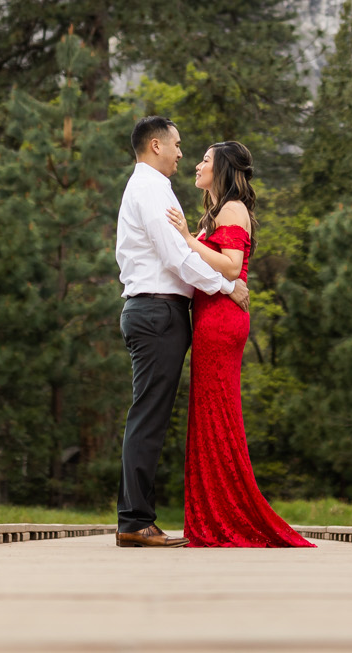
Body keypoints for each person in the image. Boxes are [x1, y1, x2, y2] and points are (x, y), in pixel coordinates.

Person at [168, 140, 313, 548]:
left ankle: (229, 514)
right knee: (209, 413)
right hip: (213, 317)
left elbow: (232, 266)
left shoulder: (232, 210)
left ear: (224, 169)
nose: (196, 165)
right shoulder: (217, 212)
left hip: (221, 321)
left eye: (206, 161)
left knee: (217, 413)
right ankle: (214, 514)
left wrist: (185, 237)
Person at [115, 115, 249, 548]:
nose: (181, 153)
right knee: (148, 418)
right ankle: (135, 521)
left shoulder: (151, 188)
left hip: (158, 312)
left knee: (149, 415)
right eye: (176, 145)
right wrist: (228, 286)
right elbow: (175, 257)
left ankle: (137, 518)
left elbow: (181, 251)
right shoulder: (151, 189)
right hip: (156, 312)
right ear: (156, 145)